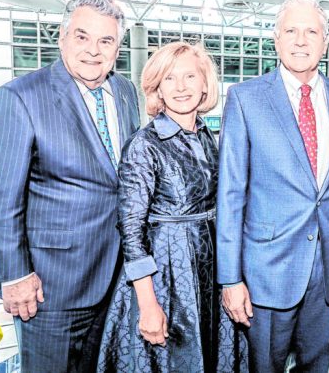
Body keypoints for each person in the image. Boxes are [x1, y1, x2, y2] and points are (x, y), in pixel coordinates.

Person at [0, 0, 140, 372]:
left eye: (106, 41)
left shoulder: (127, 93)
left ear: (118, 47)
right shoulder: (18, 98)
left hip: (118, 279)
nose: (93, 51)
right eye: (82, 37)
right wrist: (14, 275)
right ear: (62, 37)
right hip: (51, 287)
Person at [217, 0, 329, 372]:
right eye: (292, 31)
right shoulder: (245, 99)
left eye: (311, 31)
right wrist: (230, 279)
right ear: (276, 39)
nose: (301, 40)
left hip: (328, 271)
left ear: (325, 43)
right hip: (266, 271)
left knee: (317, 366)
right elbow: (231, 195)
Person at [97, 41, 248, 372]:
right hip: (166, 278)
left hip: (211, 272)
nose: (181, 87)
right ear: (157, 89)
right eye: (169, 79)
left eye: (190, 76)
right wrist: (148, 304)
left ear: (205, 83)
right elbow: (131, 231)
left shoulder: (211, 137)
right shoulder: (143, 145)